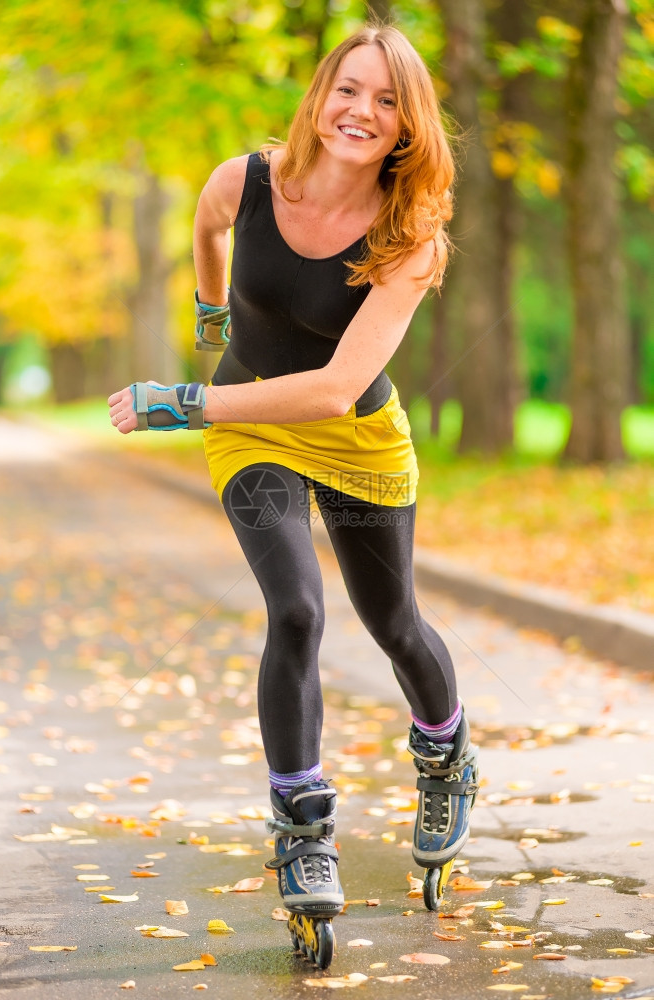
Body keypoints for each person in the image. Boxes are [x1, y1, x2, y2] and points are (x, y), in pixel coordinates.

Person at [108, 21, 478, 962]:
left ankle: (444, 752)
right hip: (251, 430)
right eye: (349, 89)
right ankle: (303, 832)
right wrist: (208, 310)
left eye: (387, 100)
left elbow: (334, 389)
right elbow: (203, 223)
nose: (362, 111)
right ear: (320, 94)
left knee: (392, 622)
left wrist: (185, 399)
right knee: (298, 612)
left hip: (353, 438)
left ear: (407, 126)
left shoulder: (411, 236)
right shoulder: (248, 180)